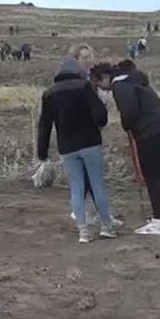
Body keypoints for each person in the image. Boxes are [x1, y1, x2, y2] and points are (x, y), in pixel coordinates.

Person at [34, 49, 120, 243]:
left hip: (66, 147)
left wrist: (42, 152)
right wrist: (100, 122)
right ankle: (107, 227)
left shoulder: (48, 94)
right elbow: (99, 113)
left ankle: (83, 232)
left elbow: (44, 126)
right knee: (97, 185)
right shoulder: (84, 86)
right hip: (90, 143)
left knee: (76, 188)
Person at [107, 59, 160, 236]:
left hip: (149, 132)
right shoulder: (139, 82)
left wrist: (126, 125)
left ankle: (159, 222)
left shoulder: (119, 86)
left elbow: (128, 112)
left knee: (151, 176)